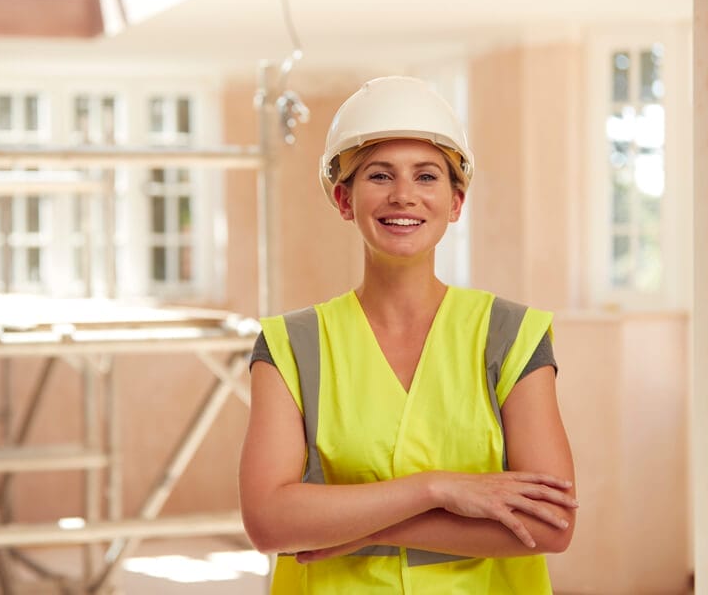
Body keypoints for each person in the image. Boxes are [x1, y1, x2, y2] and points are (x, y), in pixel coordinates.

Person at [239, 76, 577, 594]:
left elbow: (550, 523)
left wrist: (365, 528)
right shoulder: (290, 346)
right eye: (379, 175)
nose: (403, 195)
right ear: (344, 199)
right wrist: (436, 489)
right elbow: (268, 521)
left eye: (426, 176)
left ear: (455, 202)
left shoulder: (512, 336)